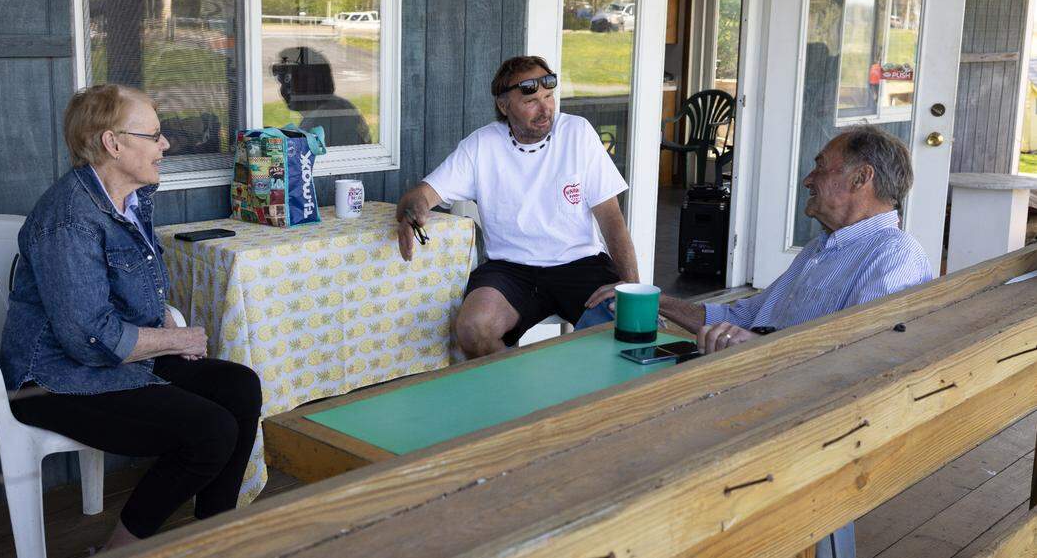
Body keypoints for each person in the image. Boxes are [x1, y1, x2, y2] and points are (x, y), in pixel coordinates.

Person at [0, 85, 262, 550]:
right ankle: (119, 549)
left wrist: (165, 321)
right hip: (55, 379)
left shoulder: (133, 198)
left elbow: (133, 291)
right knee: (210, 430)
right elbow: (87, 338)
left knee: (240, 386)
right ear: (112, 143)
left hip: (116, 360)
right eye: (155, 135)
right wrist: (174, 341)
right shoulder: (69, 219)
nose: (165, 146)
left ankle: (214, 534)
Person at [660, 124, 933, 558]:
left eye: (820, 167)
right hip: (763, 388)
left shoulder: (893, 255)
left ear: (862, 179)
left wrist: (759, 350)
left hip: (806, 418)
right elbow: (744, 316)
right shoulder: (823, 248)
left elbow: (860, 363)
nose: (809, 179)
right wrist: (660, 302)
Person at [394, 55, 640, 358]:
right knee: (473, 328)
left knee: (627, 325)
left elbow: (611, 218)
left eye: (549, 97)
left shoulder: (577, 132)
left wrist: (631, 285)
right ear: (504, 106)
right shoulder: (482, 145)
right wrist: (412, 213)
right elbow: (421, 195)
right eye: (531, 101)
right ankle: (514, 395)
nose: (545, 109)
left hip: (579, 264)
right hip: (510, 270)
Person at [271, 46, 372, 147]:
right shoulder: (341, 106)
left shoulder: (317, 124)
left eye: (287, 81)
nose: (284, 90)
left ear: (308, 83)